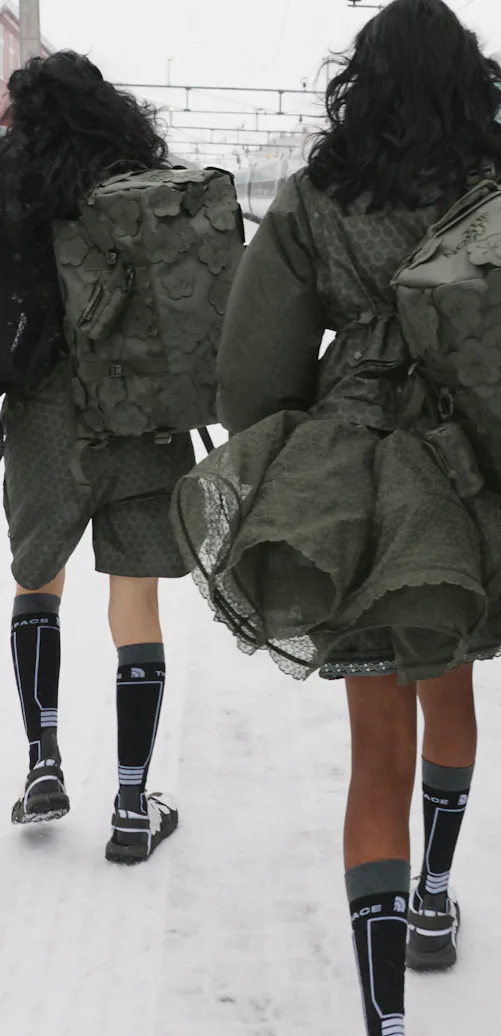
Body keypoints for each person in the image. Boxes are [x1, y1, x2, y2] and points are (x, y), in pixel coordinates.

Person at [171, 0, 501, 1030]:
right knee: (450, 686)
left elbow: (254, 375)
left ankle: (384, 1016)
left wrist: (290, 460)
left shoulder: (319, 195)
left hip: (361, 479)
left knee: (376, 753)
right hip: (481, 467)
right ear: (470, 83)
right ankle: (437, 895)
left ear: (362, 84)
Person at [0, 52, 188, 861]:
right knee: (136, 604)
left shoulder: (12, 185)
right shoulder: (146, 181)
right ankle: (132, 805)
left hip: (44, 414)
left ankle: (43, 762)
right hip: (141, 418)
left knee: (37, 581)